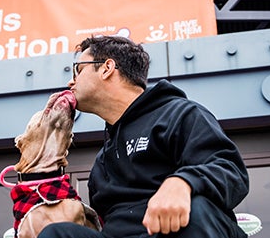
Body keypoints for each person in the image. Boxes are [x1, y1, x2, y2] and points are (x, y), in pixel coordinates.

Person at [38, 35, 249, 238]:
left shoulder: (179, 114)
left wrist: (182, 183)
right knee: (57, 233)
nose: (70, 82)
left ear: (107, 68)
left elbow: (231, 171)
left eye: (78, 70)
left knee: (197, 209)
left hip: (177, 231)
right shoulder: (102, 161)